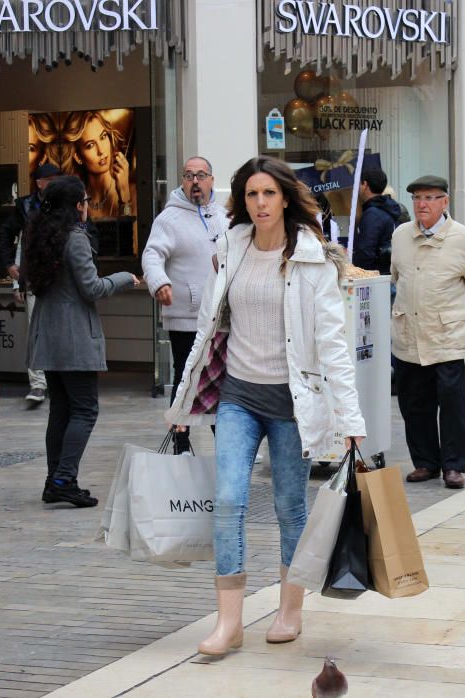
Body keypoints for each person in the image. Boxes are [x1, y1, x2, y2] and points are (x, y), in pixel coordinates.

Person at [166, 156, 366, 657]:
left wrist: (350, 420)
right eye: (251, 195)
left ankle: (289, 609)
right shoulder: (230, 247)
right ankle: (228, 623)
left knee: (288, 507)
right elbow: (209, 327)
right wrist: (183, 403)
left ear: (285, 198)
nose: (260, 204)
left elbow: (333, 345)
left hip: (292, 404)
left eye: (269, 194)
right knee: (230, 499)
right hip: (238, 395)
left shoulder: (312, 258)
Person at [25, 176, 140, 508]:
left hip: (49, 334)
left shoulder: (43, 234)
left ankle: (54, 479)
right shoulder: (75, 238)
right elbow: (92, 288)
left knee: (61, 410)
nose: (88, 206)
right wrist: (125, 278)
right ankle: (64, 479)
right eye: (85, 201)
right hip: (72, 337)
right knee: (85, 409)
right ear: (78, 206)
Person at [392, 175, 465, 488]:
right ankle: (425, 462)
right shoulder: (401, 235)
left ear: (445, 202)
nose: (422, 204)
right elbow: (396, 276)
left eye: (430, 198)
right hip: (408, 332)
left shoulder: (463, 238)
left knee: (452, 402)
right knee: (414, 402)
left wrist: (450, 314)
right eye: (417, 198)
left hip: (446, 334)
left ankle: (453, 466)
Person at [142, 156, 227, 454]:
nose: (195, 181)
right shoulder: (169, 218)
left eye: (201, 175)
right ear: (182, 180)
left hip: (220, 316)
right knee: (185, 377)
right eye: (189, 175)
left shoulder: (223, 215)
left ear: (211, 180)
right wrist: (159, 282)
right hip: (185, 314)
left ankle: (228, 446)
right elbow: (152, 255)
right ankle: (181, 441)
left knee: (220, 378)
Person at [1, 163, 62, 407]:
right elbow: (11, 238)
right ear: (39, 182)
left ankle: (55, 380)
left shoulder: (64, 204)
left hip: (59, 279)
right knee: (36, 330)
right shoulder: (26, 206)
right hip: (36, 278)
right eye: (51, 179)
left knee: (57, 330)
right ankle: (38, 383)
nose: (55, 183)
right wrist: (12, 271)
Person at [61, 110, 134, 220]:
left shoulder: (133, 191)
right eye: (90, 145)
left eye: (103, 136)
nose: (101, 151)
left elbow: (131, 235)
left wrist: (124, 198)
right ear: (78, 157)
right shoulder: (73, 201)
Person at [352, 168, 401, 273]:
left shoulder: (372, 214)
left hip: (376, 278)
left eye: (359, 184)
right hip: (387, 274)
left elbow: (365, 251)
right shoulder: (386, 208)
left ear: (365, 185)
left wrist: (359, 273)